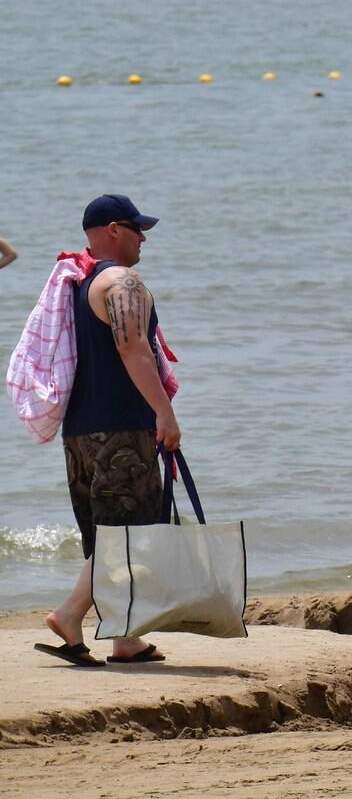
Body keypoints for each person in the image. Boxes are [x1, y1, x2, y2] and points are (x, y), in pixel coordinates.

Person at [36, 194, 179, 668]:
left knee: (108, 535)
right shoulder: (121, 282)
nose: (143, 241)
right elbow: (133, 348)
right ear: (115, 230)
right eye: (139, 231)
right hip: (120, 427)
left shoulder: (80, 285)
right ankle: (69, 614)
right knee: (129, 532)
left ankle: (126, 638)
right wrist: (164, 414)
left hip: (79, 430)